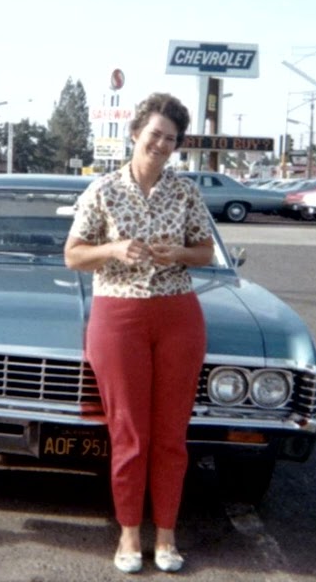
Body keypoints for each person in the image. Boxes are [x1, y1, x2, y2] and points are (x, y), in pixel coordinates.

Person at [63, 92, 215, 574]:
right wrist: (114, 248)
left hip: (178, 315)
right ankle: (129, 534)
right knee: (128, 432)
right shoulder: (103, 190)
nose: (161, 145)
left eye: (170, 139)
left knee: (171, 434)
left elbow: (205, 251)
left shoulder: (186, 191)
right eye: (154, 135)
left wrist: (181, 255)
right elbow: (73, 255)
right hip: (119, 316)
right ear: (134, 134)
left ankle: (166, 535)